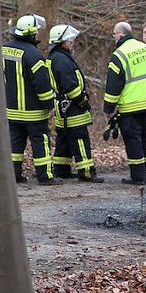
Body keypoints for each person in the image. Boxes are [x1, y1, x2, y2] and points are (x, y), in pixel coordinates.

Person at [3, 13, 60, 185]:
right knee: (40, 142)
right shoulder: (34, 55)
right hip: (33, 112)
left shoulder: (3, 50)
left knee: (15, 143)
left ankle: (13, 175)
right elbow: (42, 85)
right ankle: (45, 176)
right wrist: (50, 105)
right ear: (32, 33)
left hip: (11, 110)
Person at [48, 24, 104, 183]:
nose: (72, 42)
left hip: (63, 107)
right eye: (69, 40)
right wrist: (83, 102)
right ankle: (86, 172)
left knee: (64, 139)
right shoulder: (61, 60)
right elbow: (70, 86)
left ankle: (61, 169)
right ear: (60, 41)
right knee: (79, 137)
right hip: (72, 107)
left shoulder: (57, 57)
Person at [104, 21, 146, 185]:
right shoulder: (144, 48)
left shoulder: (119, 55)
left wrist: (108, 108)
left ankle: (138, 175)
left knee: (133, 141)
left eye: (114, 35)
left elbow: (114, 85)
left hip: (130, 105)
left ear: (120, 35)